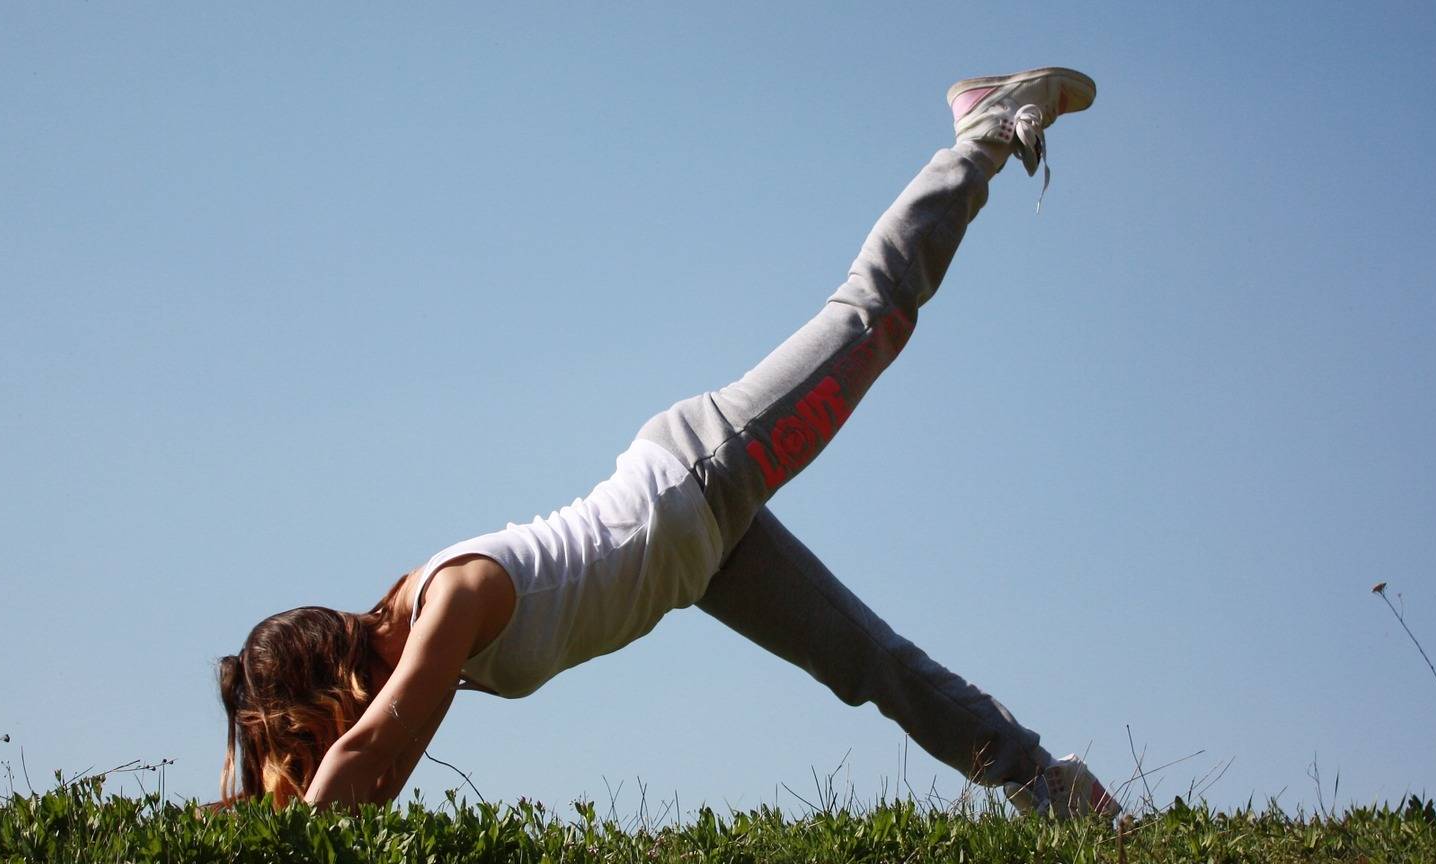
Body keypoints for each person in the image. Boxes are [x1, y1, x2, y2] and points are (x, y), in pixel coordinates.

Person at [216, 66, 1119, 819]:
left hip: (699, 475)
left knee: (871, 316)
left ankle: (982, 131)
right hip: (698, 557)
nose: (315, 750)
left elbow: (369, 752)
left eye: (300, 736)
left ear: (320, 688)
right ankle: (1050, 785)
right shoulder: (420, 665)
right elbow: (378, 776)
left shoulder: (447, 600)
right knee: (869, 664)